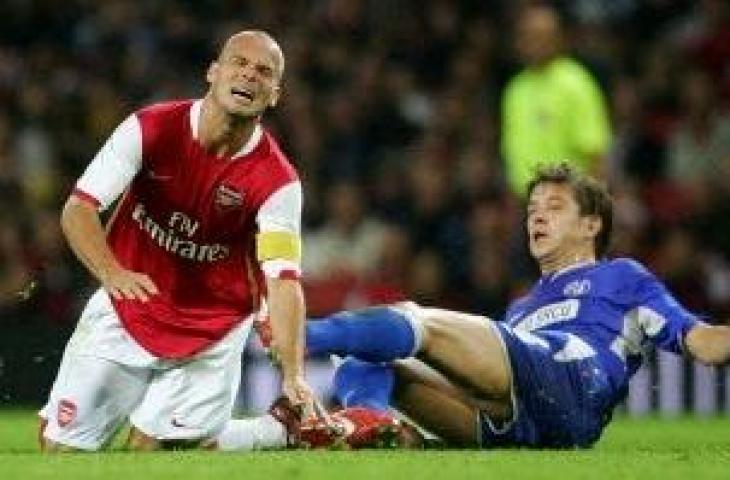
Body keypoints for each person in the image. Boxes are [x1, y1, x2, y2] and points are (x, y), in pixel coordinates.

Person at [246, 162, 730, 449]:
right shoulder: (522, 307)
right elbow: (489, 380)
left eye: (555, 207)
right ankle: (373, 429)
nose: (537, 216)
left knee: (416, 319)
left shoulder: (622, 277)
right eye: (532, 209)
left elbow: (703, 344)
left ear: (591, 226)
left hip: (572, 379)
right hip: (523, 423)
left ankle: (297, 332)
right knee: (370, 360)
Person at [39, 30, 316, 451]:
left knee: (151, 455)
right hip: (130, 307)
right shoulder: (150, 128)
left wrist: (294, 374)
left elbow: (283, 279)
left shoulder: (277, 181)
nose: (249, 75)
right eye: (239, 63)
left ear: (275, 94)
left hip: (211, 328)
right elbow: (78, 209)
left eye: (264, 71)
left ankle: (278, 431)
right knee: (59, 451)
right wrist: (111, 272)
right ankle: (271, 432)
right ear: (214, 72)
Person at [502, 5, 611, 196]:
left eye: (542, 36)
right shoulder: (515, 89)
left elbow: (595, 153)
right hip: (527, 204)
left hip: (569, 202)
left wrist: (592, 211)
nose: (534, 43)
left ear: (559, 39)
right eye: (528, 36)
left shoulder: (576, 83)